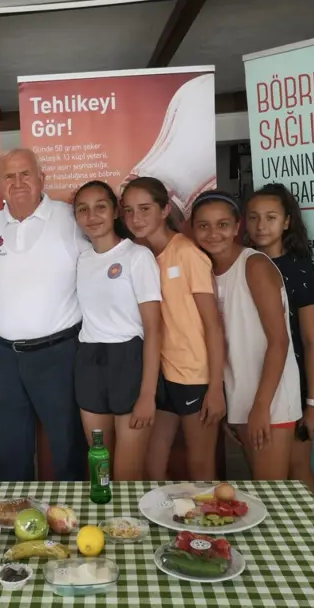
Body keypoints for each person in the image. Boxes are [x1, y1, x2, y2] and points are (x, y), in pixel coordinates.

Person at [0, 148, 88, 482]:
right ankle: (14, 510)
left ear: (42, 178)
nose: (18, 182)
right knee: (11, 450)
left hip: (58, 354)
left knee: (68, 446)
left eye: (25, 174)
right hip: (3, 356)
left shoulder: (71, 219)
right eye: (9, 176)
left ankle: (71, 511)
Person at [190, 190, 300, 480]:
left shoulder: (255, 265)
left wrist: (261, 407)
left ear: (237, 226)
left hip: (270, 398)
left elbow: (279, 342)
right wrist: (233, 405)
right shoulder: (205, 271)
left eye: (222, 224)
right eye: (203, 225)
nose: (213, 233)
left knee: (270, 492)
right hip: (240, 395)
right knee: (259, 490)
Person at [122, 177, 225, 481]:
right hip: (162, 374)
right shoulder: (140, 256)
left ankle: (208, 515)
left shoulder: (187, 253)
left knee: (200, 465)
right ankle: (164, 513)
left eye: (144, 209)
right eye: (128, 210)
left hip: (195, 376)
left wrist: (215, 388)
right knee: (152, 463)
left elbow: (213, 325)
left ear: (165, 209)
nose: (136, 218)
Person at [72, 180, 162, 481]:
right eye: (83, 209)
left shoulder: (137, 256)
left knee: (127, 475)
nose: (92, 216)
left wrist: (147, 394)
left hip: (129, 361)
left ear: (114, 212)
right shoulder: (82, 258)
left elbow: (154, 328)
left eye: (100, 207)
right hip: (89, 361)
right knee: (100, 467)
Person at [246, 183, 314, 499]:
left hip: (294, 386)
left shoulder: (300, 270)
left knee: (297, 469)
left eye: (270, 217)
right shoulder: (241, 265)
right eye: (253, 217)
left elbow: (312, 341)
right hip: (253, 383)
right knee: (263, 474)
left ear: (287, 221)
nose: (261, 226)